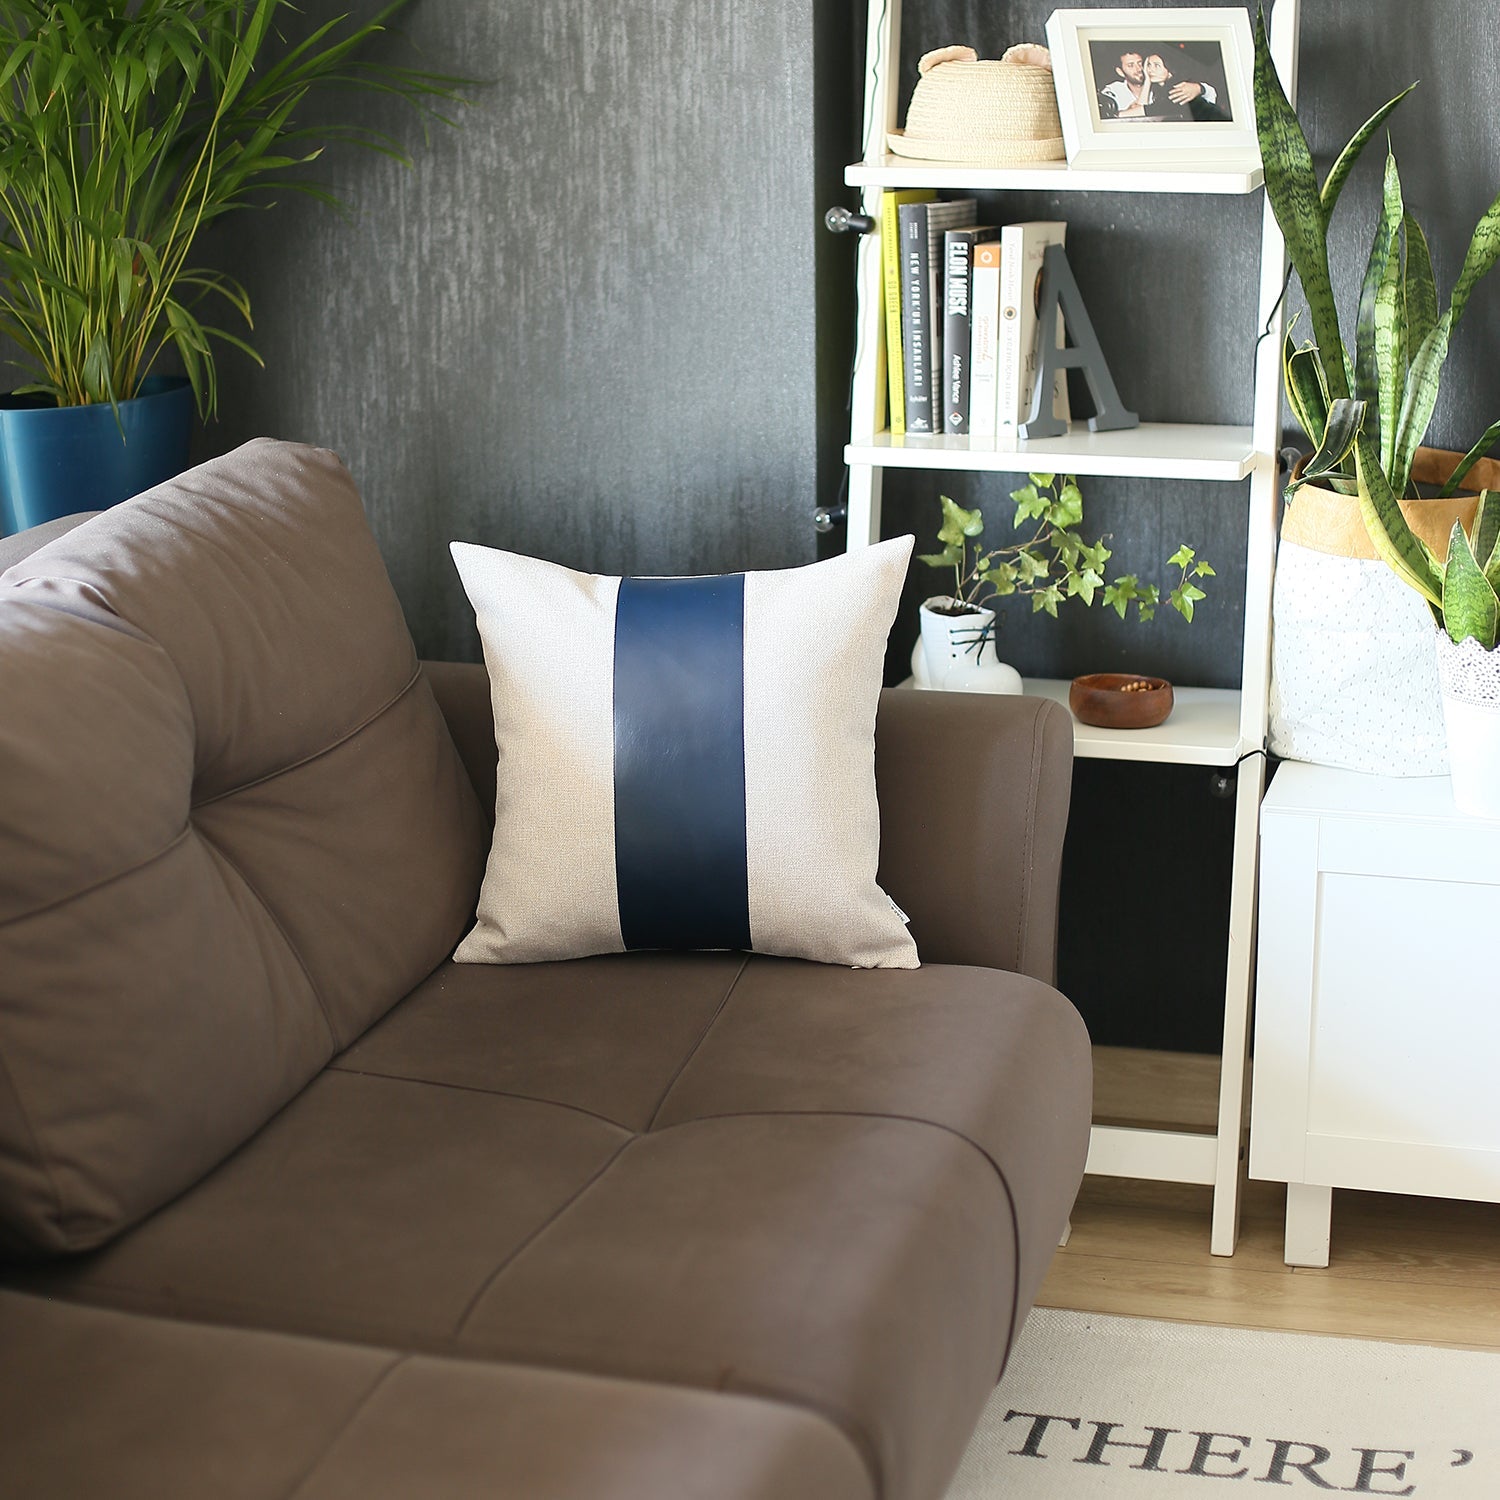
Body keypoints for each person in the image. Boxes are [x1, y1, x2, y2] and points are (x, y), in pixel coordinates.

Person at [1098, 44, 1222, 122]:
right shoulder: (1113, 91)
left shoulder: (1177, 90)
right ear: (1120, 72)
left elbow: (1149, 110)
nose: (1140, 69)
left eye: (1140, 63)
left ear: (1170, 71)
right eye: (1131, 65)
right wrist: (1147, 81)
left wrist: (1200, 88)